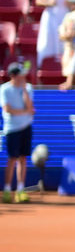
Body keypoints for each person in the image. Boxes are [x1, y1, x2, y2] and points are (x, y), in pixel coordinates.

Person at [1, 62, 34, 203]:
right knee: (12, 158)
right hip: (12, 129)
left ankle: (21, 190)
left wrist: (25, 91)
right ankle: (7, 190)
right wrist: (26, 112)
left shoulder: (28, 88)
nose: (22, 77)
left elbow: (30, 107)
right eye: (19, 75)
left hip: (26, 127)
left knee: (23, 159)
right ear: (13, 76)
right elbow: (7, 109)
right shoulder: (4, 89)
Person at [35, 0, 75, 64]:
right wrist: (49, 2)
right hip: (50, 19)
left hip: (65, 19)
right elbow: (38, 0)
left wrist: (70, 5)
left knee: (62, 45)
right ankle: (44, 66)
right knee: (47, 44)